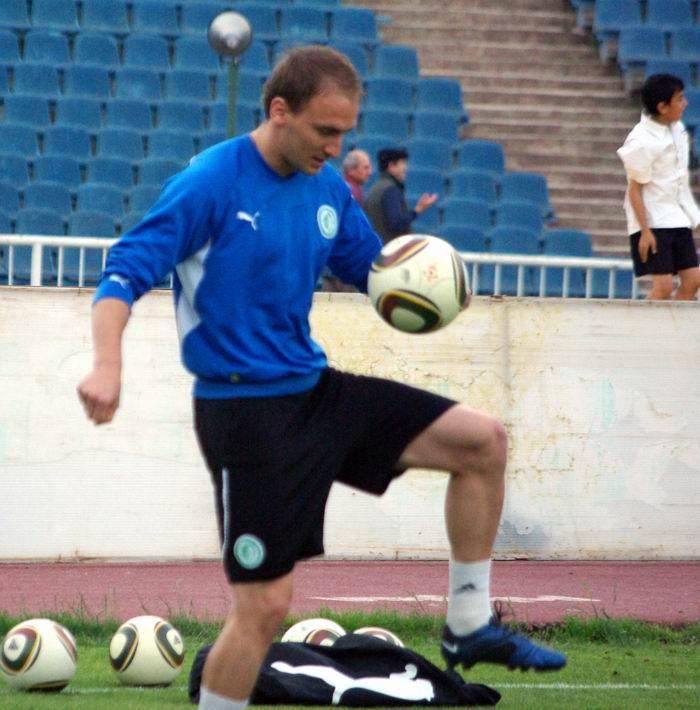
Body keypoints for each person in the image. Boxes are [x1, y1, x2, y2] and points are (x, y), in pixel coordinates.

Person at [77, 46, 565, 710]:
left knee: (482, 443)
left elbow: (375, 272)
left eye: (345, 133)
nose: (336, 149)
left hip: (316, 392)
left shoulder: (328, 189)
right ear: (280, 111)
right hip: (245, 414)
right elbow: (123, 272)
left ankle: (469, 623)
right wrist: (107, 364)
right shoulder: (210, 181)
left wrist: (432, 283)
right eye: (325, 131)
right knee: (264, 608)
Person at [617, 73, 700, 300]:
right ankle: (640, 323)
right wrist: (645, 231)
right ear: (663, 107)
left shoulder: (678, 130)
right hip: (653, 221)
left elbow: (680, 181)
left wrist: (695, 217)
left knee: (693, 280)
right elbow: (634, 189)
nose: (685, 104)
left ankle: (672, 323)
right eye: (679, 99)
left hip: (676, 217)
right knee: (663, 287)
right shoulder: (641, 140)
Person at [364, 147, 439, 244]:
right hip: (390, 248)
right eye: (403, 163)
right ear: (392, 166)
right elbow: (396, 224)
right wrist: (417, 210)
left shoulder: (375, 188)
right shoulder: (390, 190)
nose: (405, 168)